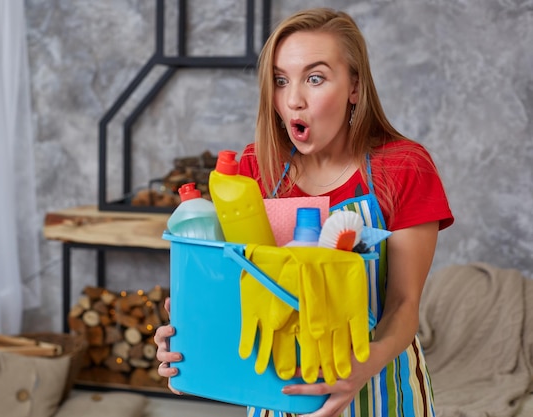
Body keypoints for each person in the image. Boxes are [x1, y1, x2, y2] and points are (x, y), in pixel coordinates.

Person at [154, 7, 454, 417]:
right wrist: (192, 337)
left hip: (382, 391)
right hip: (277, 395)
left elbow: (403, 305)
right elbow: (243, 293)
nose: (293, 99)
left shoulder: (403, 167)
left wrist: (361, 367)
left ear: (354, 87)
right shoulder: (254, 170)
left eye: (315, 78)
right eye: (280, 80)